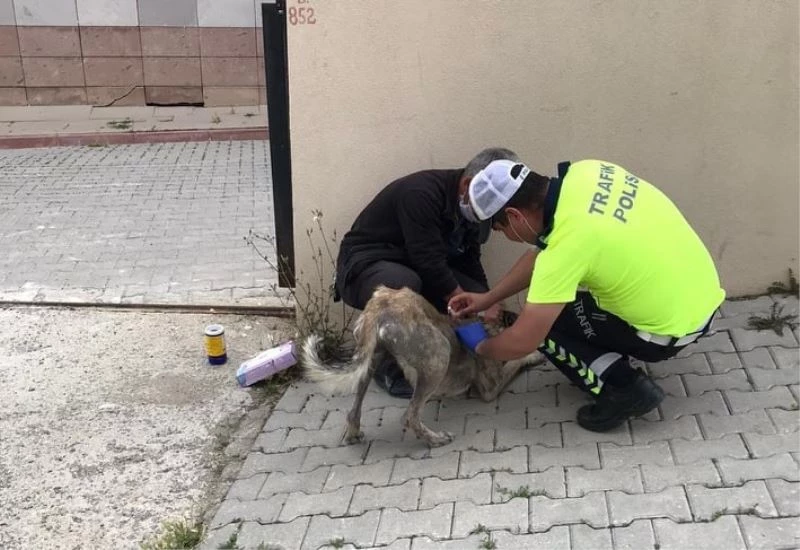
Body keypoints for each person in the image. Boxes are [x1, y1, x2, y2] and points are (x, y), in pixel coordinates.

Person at [448, 158, 725, 431]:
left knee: (547, 326)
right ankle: (614, 351)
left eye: (499, 228)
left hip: (668, 333)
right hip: (701, 301)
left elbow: (523, 340)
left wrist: (482, 348)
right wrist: (489, 298)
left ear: (514, 216)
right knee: (561, 306)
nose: (504, 234)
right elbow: (544, 254)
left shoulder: (566, 250)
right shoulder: (587, 173)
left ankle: (624, 388)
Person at [334, 147, 520, 397]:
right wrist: (464, 301)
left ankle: (465, 359)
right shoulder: (421, 194)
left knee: (473, 295)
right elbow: (428, 260)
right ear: (467, 185)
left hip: (415, 266)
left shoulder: (474, 209)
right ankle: (387, 367)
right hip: (367, 266)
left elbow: (469, 261)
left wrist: (487, 299)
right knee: (405, 285)